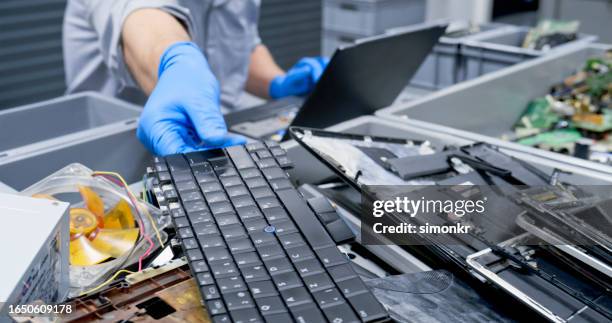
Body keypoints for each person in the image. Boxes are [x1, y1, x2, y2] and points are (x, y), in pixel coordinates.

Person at [63, 0, 328, 156]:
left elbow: (240, 46)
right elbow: (142, 19)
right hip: (115, 148)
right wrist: (176, 61)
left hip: (212, 133)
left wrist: (277, 82)